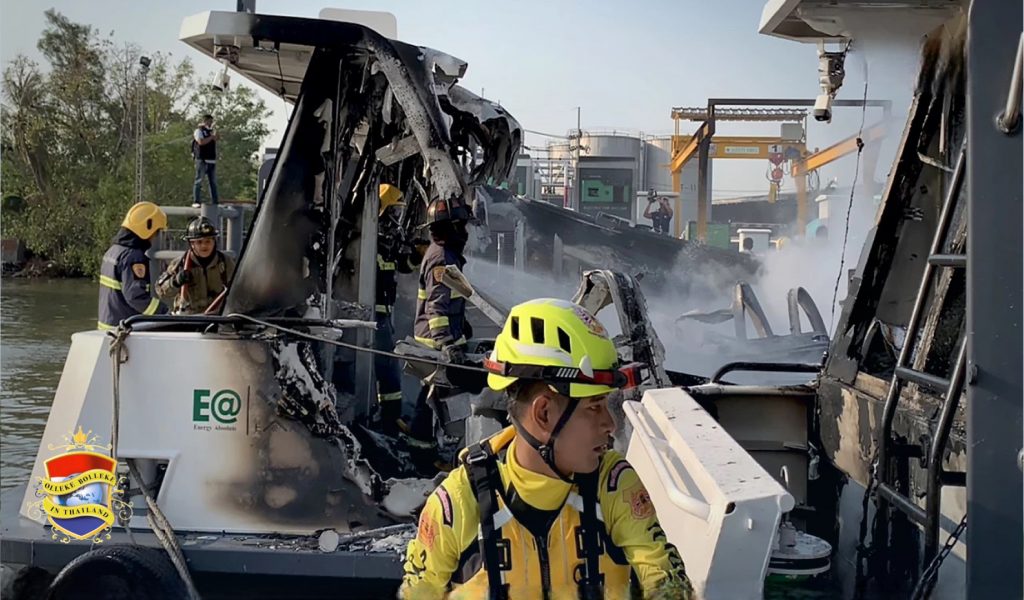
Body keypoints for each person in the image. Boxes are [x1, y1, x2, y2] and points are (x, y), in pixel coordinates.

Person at [400, 298, 693, 600]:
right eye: (594, 407)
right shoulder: (459, 502)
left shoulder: (613, 485)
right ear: (543, 413)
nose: (610, 424)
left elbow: (667, 582)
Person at [403, 195, 473, 464]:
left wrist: (461, 326)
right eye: (461, 225)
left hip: (436, 339)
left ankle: (422, 448)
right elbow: (436, 306)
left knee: (431, 397)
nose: (465, 231)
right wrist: (447, 343)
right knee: (435, 398)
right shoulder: (441, 258)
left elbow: (450, 299)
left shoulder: (444, 253)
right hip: (434, 343)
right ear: (451, 227)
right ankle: (422, 456)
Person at [374, 183, 425, 435]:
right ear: (381, 210)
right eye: (394, 212)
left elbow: (401, 265)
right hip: (373, 315)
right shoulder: (369, 241)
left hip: (384, 313)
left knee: (387, 366)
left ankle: (389, 418)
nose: (396, 219)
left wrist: (416, 255)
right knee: (387, 367)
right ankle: (390, 421)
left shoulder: (385, 242)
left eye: (399, 213)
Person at [97, 202, 169, 330]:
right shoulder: (133, 257)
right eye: (156, 231)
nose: (155, 236)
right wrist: (164, 312)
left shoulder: (113, 251)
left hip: (107, 327)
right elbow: (135, 297)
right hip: (125, 331)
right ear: (147, 228)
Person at [155, 216, 235, 315]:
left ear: (214, 242)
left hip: (218, 317)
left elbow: (240, 289)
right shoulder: (180, 264)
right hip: (189, 319)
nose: (204, 246)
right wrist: (175, 281)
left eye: (208, 241)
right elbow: (161, 291)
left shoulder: (226, 263)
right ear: (191, 244)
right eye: (199, 242)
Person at [192, 114, 219, 208]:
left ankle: (215, 202)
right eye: (209, 121)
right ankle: (196, 201)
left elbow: (216, 138)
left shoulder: (211, 131)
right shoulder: (199, 131)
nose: (210, 123)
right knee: (199, 181)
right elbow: (201, 142)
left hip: (211, 160)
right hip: (202, 160)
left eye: (211, 121)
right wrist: (211, 137)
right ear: (205, 121)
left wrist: (215, 132)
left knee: (213, 183)